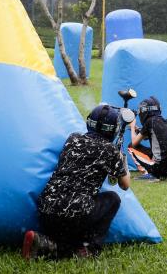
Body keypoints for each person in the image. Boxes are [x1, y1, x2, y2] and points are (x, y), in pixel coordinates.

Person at [22, 104, 130, 260]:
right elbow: (124, 184)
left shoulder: (73, 138)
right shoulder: (111, 150)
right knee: (113, 199)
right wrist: (120, 156)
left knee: (65, 229)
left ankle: (45, 243)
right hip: (75, 215)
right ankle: (89, 248)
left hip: (46, 209)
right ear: (113, 129)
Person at [128, 96, 167, 182]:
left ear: (144, 112)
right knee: (159, 152)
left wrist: (132, 127)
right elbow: (149, 136)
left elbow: (134, 143)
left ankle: (150, 174)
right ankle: (166, 173)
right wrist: (138, 130)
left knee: (131, 147)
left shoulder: (149, 122)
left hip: (161, 168)